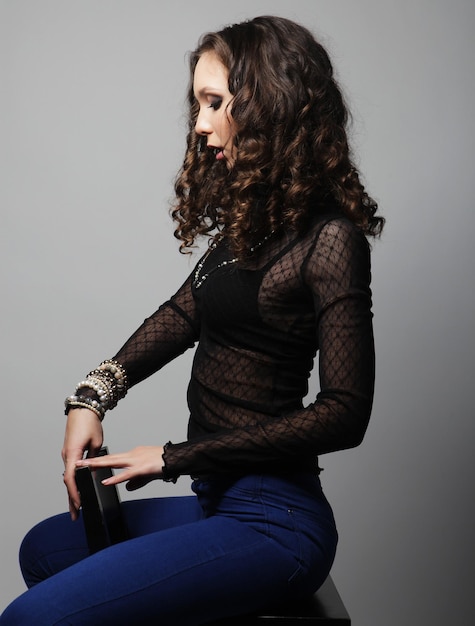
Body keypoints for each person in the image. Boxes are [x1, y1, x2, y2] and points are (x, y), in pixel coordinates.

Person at [1, 15, 384, 626]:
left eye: (214, 102)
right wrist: (90, 398)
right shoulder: (247, 224)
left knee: (29, 620)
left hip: (276, 520)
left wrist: (174, 457)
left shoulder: (330, 241)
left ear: (268, 104)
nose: (200, 123)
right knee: (44, 550)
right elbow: (183, 313)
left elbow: (346, 413)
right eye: (197, 103)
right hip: (216, 500)